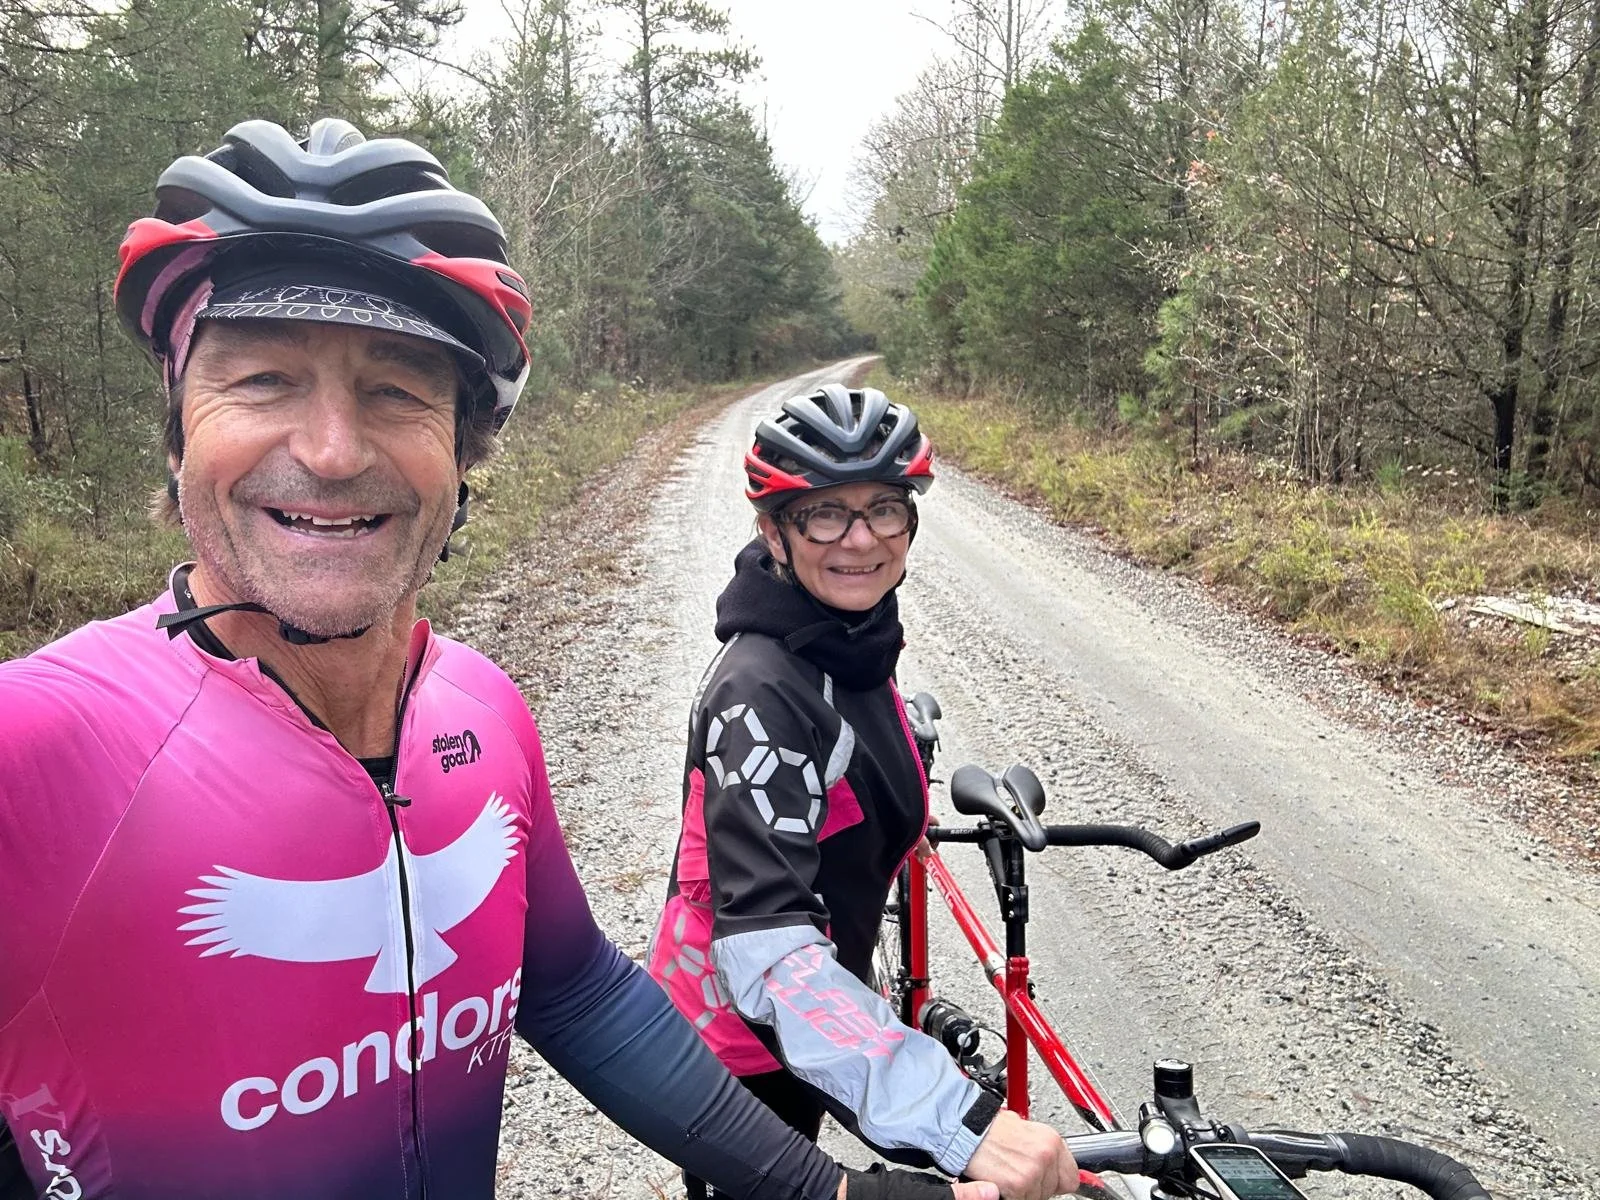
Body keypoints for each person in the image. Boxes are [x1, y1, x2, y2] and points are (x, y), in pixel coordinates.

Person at [0, 117, 998, 1200]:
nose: (331, 451)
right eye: (262, 379)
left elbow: (576, 992)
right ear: (177, 432)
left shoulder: (481, 712)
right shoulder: (38, 746)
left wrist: (828, 1191)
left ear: (462, 454)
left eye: (396, 390)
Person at [647, 386, 1080, 1200]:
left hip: (810, 1010)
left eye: (885, 508)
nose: (862, 539)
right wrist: (960, 1119)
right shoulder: (759, 694)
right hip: (742, 1044)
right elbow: (767, 956)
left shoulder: (846, 633)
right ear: (773, 531)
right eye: (825, 515)